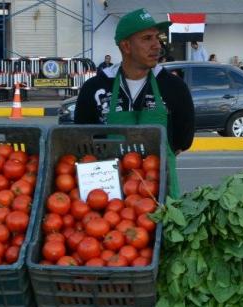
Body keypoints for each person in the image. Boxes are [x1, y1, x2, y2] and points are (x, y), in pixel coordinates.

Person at [75, 8, 194, 197]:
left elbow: (183, 141)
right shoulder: (95, 87)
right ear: (126, 46)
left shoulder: (174, 87)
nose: (157, 46)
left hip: (160, 189)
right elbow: (81, 139)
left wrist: (149, 170)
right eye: (147, 39)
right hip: (108, 195)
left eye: (157, 37)